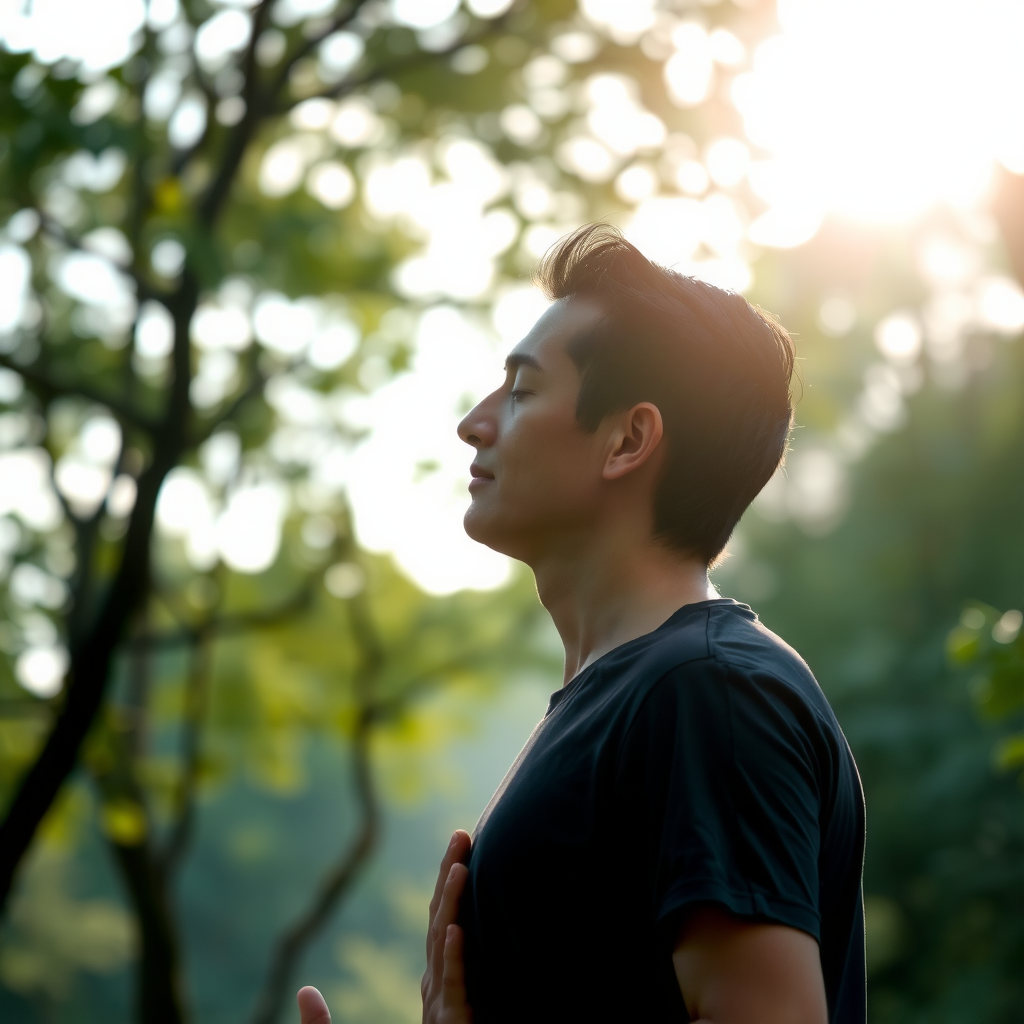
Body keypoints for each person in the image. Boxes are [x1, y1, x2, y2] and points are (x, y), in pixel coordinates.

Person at [297, 225, 865, 1024]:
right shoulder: (638, 697)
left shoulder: (711, 694)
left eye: (522, 391)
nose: (474, 422)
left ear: (628, 440)